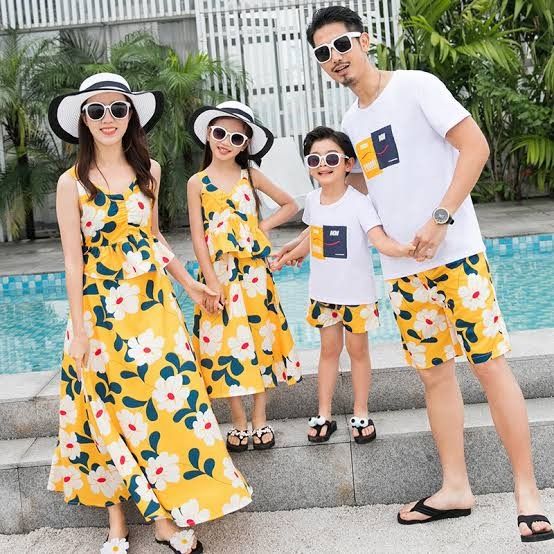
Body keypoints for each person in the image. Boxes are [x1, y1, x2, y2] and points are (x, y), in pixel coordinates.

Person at [276, 6, 553, 543]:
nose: (334, 58)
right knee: (433, 375)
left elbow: (475, 148)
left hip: (457, 257)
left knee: (489, 367)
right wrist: (303, 235)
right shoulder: (352, 125)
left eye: (341, 45)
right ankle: (455, 487)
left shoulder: (417, 86)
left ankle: (528, 494)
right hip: (403, 270)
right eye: (322, 53)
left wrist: (441, 219)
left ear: (366, 41)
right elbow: (363, 193)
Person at [47, 73, 252, 554]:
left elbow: (154, 237)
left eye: (117, 109)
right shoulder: (70, 182)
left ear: (131, 115)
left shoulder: (151, 172)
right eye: (95, 111)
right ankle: (116, 522)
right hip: (99, 313)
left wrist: (192, 284)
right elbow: (72, 260)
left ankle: (166, 518)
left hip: (154, 308)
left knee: (169, 407)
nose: (107, 119)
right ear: (83, 119)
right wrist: (79, 330)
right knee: (104, 412)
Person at [273, 125, 416, 444]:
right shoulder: (312, 200)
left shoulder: (360, 202)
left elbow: (379, 239)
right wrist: (287, 254)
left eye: (331, 158)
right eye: (314, 159)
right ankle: (324, 414)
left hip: (357, 296)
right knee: (328, 352)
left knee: (358, 352)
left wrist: (405, 249)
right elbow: (312, 235)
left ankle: (361, 412)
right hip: (323, 295)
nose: (322, 164)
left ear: (348, 163)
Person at [187, 101, 301, 452]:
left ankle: (260, 419)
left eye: (236, 137)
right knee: (225, 348)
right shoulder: (198, 182)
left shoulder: (250, 174)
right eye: (219, 133)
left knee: (258, 341)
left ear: (244, 144)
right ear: (208, 134)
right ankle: (237, 422)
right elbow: (197, 237)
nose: (225, 141)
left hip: (254, 274)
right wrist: (210, 282)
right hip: (218, 275)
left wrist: (258, 227)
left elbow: (290, 204)